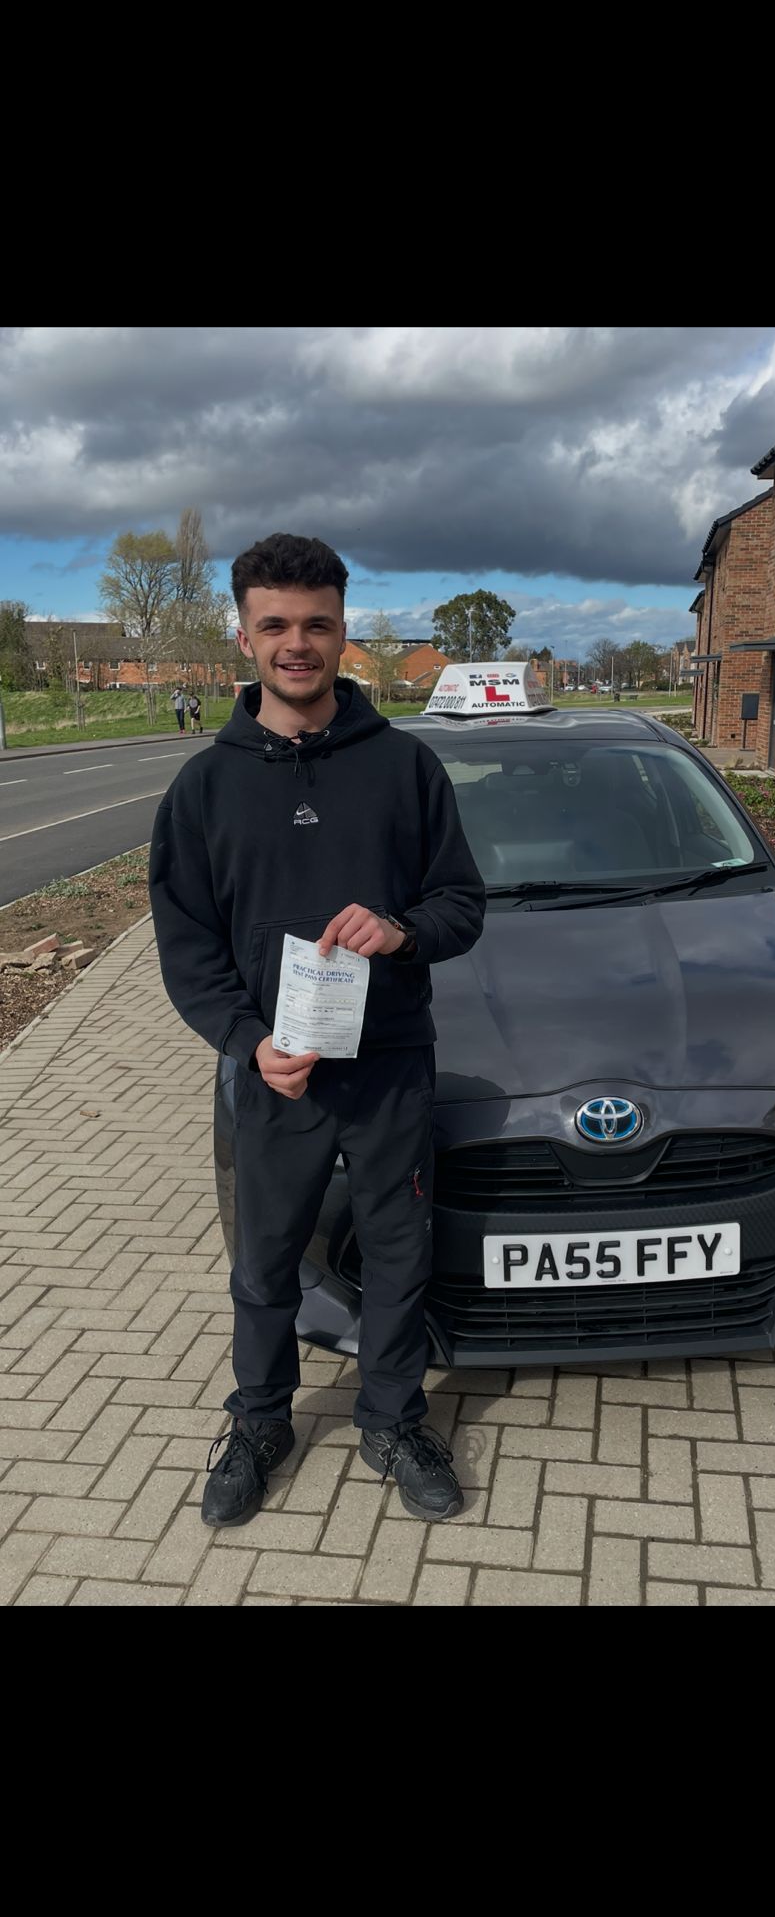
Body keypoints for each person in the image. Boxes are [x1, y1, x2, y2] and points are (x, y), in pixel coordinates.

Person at [149, 532, 485, 1529]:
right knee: (264, 1261)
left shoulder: (406, 767)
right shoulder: (203, 790)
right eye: (276, 624)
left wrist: (401, 928)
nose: (298, 642)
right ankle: (260, 1421)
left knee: (396, 1252)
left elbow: (462, 902)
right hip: (274, 1075)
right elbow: (188, 948)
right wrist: (250, 1039)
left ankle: (390, 1417)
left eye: (317, 623)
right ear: (244, 635)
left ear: (344, 628)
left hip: (386, 1069)